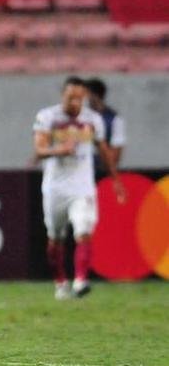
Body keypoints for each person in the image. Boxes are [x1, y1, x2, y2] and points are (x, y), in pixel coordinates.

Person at [33, 76, 125, 300]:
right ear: (63, 95)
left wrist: (115, 179)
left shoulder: (93, 119)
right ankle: (60, 282)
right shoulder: (47, 117)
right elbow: (39, 150)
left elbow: (103, 149)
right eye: (70, 97)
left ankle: (81, 280)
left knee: (84, 230)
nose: (75, 102)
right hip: (55, 187)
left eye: (79, 98)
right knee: (55, 237)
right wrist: (60, 150)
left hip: (82, 187)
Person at [84, 77, 126, 179]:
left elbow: (115, 156)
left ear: (95, 95)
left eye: (85, 94)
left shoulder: (114, 120)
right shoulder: (80, 117)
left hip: (101, 173)